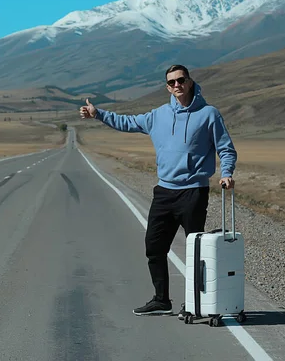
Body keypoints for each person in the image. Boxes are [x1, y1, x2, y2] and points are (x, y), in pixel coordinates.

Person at [80, 64, 237, 317]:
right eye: (171, 82)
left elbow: (226, 148)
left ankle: (195, 301)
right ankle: (161, 300)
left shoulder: (209, 114)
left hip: (193, 192)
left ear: (189, 81)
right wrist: (98, 114)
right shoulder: (158, 115)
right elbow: (127, 122)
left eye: (181, 80)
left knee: (195, 250)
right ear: (167, 86)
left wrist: (227, 173)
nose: (177, 85)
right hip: (164, 192)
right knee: (154, 247)